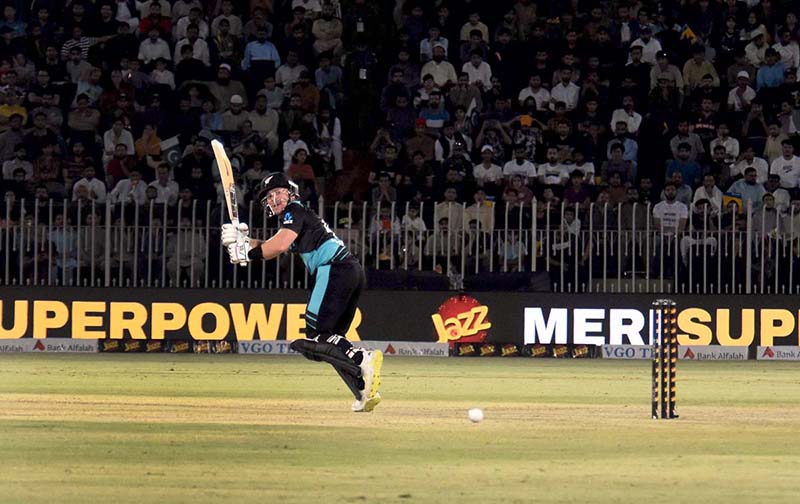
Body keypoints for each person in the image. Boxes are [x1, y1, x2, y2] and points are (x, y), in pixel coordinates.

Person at [221, 172, 382, 413]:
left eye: (278, 192)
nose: (274, 199)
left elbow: (280, 245)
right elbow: (273, 245)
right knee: (331, 339)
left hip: (334, 269)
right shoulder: (297, 216)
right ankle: (364, 391)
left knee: (316, 334)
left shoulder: (293, 211)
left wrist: (247, 253)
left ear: (290, 193)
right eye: (269, 196)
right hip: (350, 271)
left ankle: (361, 358)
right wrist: (244, 241)